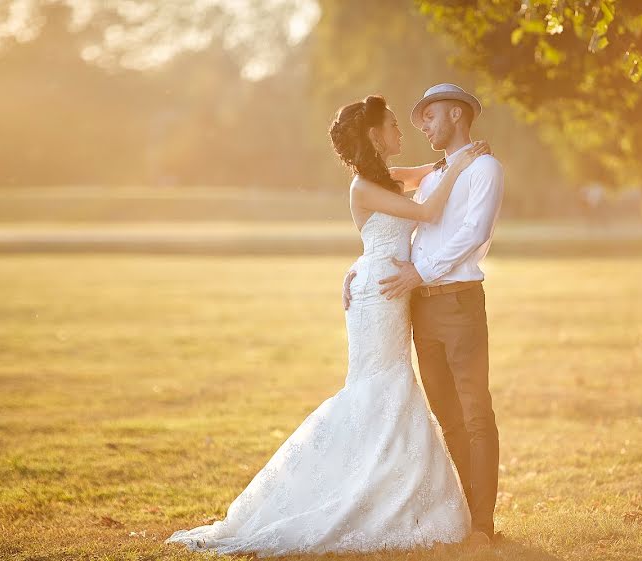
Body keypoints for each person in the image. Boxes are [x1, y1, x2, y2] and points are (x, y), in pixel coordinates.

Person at [164, 94, 488, 556]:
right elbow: (430, 211)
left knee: (393, 384)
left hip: (390, 286)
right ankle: (351, 490)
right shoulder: (362, 187)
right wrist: (466, 162)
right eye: (394, 125)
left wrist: (454, 159)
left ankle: (388, 489)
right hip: (379, 295)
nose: (401, 132)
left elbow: (424, 177)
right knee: (378, 385)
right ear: (375, 135)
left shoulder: (387, 178)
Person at [344, 83, 505, 544]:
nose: (418, 127)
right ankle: (466, 514)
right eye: (402, 124)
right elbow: (383, 233)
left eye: (428, 117)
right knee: (446, 415)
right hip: (418, 307)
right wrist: (359, 267)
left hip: (457, 301)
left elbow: (473, 234)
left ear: (455, 115)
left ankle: (481, 524)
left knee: (475, 412)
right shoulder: (431, 177)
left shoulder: (484, 169)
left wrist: (420, 273)